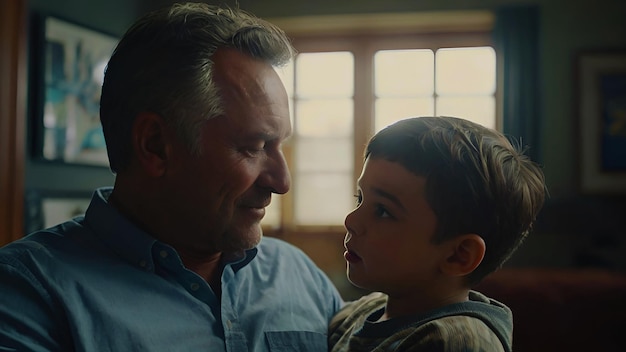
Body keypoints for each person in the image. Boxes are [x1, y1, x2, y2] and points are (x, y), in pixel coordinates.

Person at [0, 3, 344, 351]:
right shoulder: (26, 294)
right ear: (155, 145)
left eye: (280, 144)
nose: (281, 182)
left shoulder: (299, 274)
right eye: (253, 147)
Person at [328, 116, 546, 352]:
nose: (351, 221)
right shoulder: (365, 311)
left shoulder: (457, 341)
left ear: (458, 255)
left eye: (383, 211)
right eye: (360, 198)